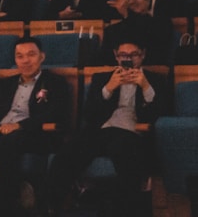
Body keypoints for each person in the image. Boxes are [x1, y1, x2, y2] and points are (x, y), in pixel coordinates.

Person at [49, 38, 168, 217]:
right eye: (122, 55)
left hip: (132, 133)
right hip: (101, 132)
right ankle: (52, 207)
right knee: (66, 153)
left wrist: (145, 87)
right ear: (115, 56)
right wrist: (109, 88)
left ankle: (126, 211)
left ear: (142, 55)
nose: (127, 59)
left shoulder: (155, 80)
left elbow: (162, 114)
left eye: (133, 55)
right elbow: (89, 115)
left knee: (122, 149)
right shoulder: (102, 78)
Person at [0, 37, 69, 217]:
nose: (25, 60)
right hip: (3, 133)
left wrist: (18, 125)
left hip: (35, 134)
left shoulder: (56, 83)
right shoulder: (5, 84)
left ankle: (4, 207)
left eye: (31, 55)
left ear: (42, 57)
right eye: (20, 56)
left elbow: (55, 114)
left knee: (7, 143)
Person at [102, 0, 174, 66]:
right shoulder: (111, 31)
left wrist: (127, 15)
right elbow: (106, 60)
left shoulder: (161, 24)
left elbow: (153, 55)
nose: (132, 1)